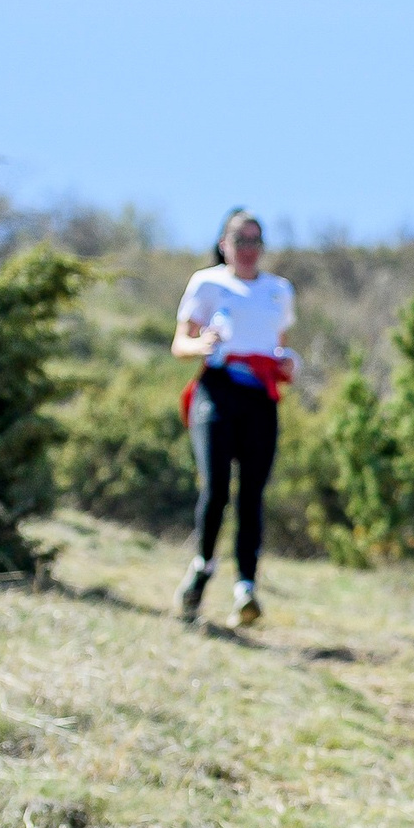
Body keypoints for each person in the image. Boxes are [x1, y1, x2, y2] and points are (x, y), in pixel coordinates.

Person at [171, 209, 297, 627]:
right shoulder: (207, 283)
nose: (247, 249)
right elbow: (180, 344)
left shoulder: (278, 291)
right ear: (224, 244)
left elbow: (278, 346)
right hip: (217, 390)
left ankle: (246, 587)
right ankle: (202, 568)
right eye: (239, 240)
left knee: (252, 495)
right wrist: (202, 343)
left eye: (254, 241)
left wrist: (286, 366)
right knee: (218, 486)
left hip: (259, 398)